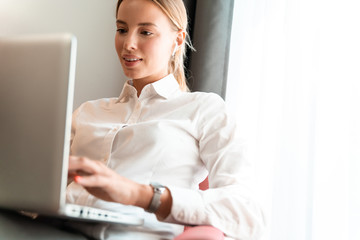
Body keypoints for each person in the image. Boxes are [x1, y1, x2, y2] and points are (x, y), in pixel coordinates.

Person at [67, 0, 265, 239]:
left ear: (178, 40)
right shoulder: (87, 112)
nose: (128, 44)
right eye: (122, 30)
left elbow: (246, 211)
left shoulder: (204, 110)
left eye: (146, 32)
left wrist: (137, 194)